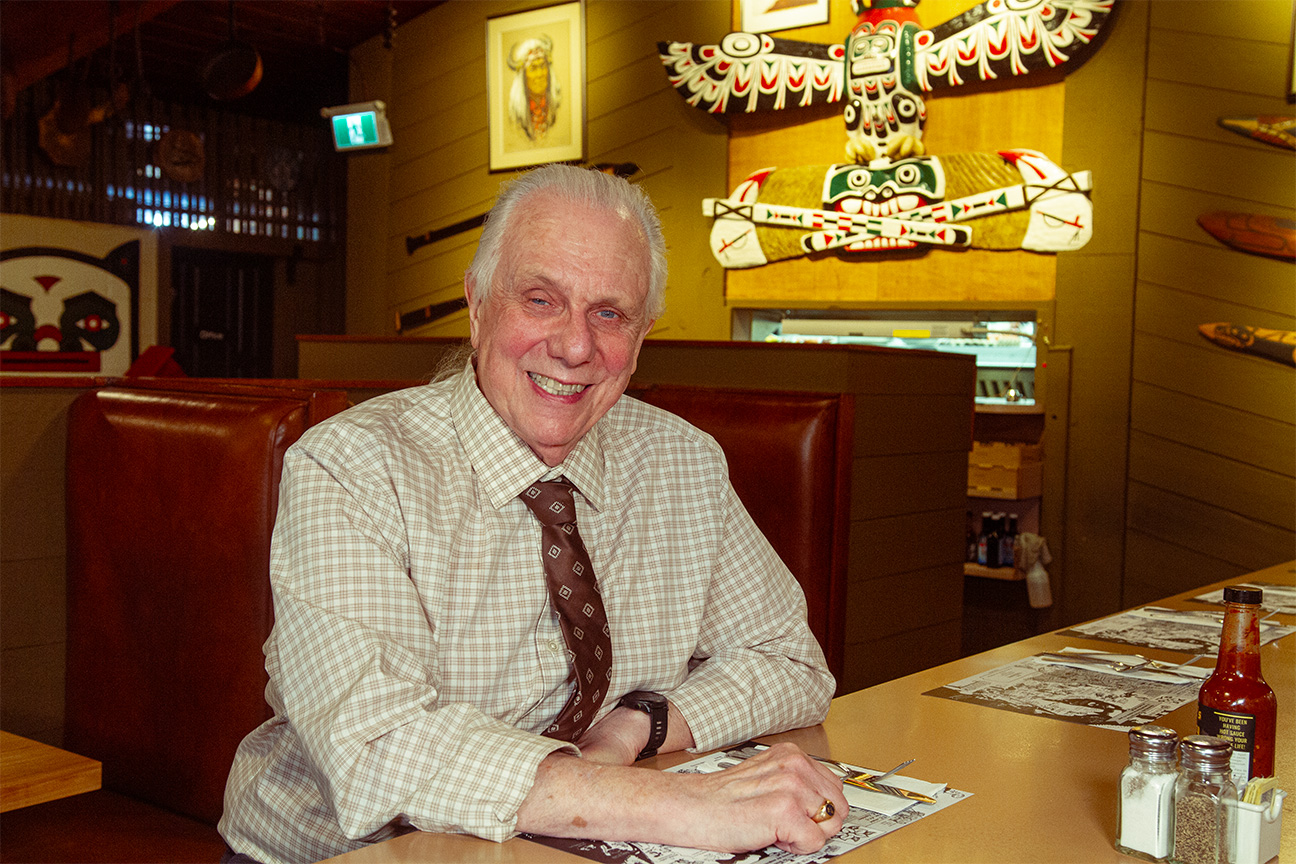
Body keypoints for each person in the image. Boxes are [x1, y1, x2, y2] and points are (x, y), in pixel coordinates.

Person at [219, 164, 843, 864]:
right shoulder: (351, 467)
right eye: (541, 299)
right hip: (335, 853)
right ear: (478, 301)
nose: (576, 347)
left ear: (641, 335)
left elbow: (791, 661)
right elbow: (377, 743)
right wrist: (682, 805)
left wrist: (639, 725)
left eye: (610, 313)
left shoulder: (685, 462)